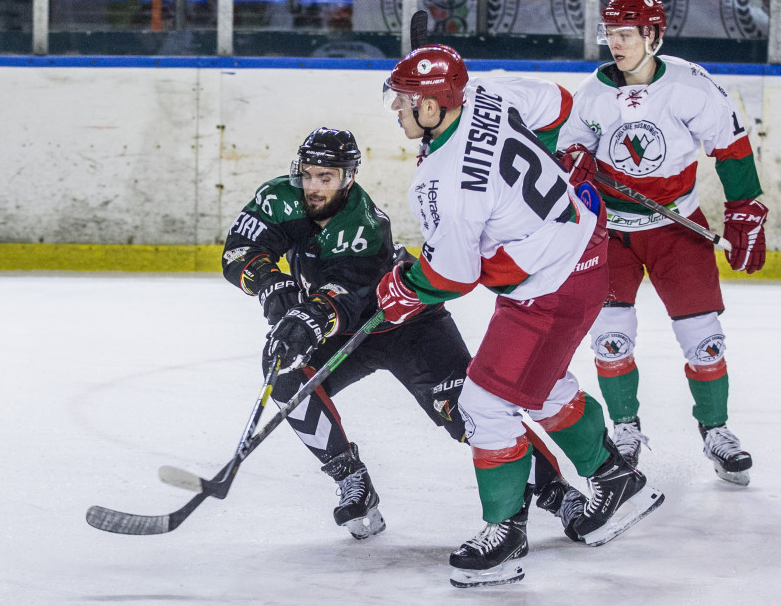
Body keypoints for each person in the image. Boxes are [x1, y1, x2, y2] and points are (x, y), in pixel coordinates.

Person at [378, 44, 664, 587]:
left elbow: (453, 276)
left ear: (434, 106)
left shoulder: (442, 184)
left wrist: (405, 288)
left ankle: (505, 534)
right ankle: (615, 479)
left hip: (551, 286)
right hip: (577, 249)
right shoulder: (486, 91)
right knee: (543, 382)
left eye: (405, 100)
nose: (396, 108)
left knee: (484, 403)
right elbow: (559, 106)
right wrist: (562, 154)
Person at [222, 126, 582, 542]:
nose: (314, 187)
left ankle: (559, 493)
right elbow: (240, 248)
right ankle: (352, 480)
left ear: (348, 177)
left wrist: (310, 315)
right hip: (344, 330)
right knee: (284, 368)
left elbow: (348, 295)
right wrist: (270, 282)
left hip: (406, 326)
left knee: (466, 412)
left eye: (326, 177)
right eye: (307, 174)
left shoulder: (364, 225)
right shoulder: (279, 198)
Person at [555, 0, 767, 487]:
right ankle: (625, 429)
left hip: (677, 226)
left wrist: (744, 207)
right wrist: (574, 163)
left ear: (653, 35)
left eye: (626, 34)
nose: (616, 44)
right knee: (611, 339)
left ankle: (715, 430)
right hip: (612, 232)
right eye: (610, 34)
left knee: (704, 340)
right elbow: (569, 150)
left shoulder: (690, 85)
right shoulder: (592, 93)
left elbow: (731, 145)